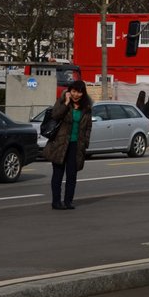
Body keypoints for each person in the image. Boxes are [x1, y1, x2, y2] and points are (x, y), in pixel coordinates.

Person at [43, 80, 93, 210]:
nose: (76, 95)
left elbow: (88, 127)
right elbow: (55, 115)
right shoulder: (62, 102)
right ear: (69, 91)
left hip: (76, 146)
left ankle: (68, 201)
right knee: (58, 174)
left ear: (83, 93)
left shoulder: (86, 107)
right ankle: (56, 202)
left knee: (72, 175)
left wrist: (85, 142)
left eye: (79, 92)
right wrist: (66, 102)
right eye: (74, 91)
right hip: (60, 144)